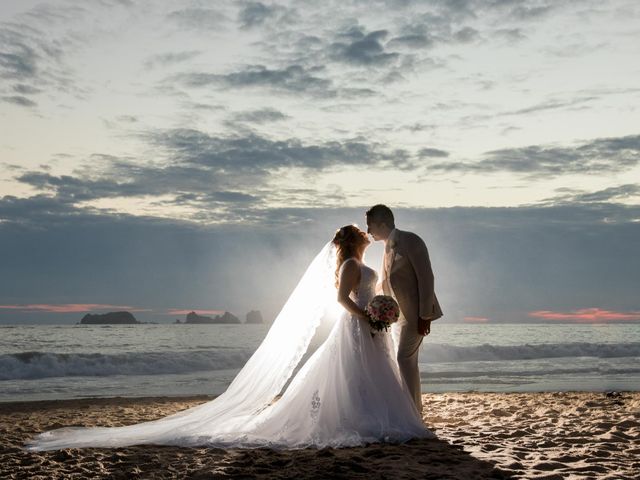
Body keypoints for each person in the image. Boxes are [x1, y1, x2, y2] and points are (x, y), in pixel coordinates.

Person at [26, 225, 433, 451]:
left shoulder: (362, 261)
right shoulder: (347, 263)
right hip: (357, 326)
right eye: (360, 232)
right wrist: (366, 314)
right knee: (351, 374)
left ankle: (381, 418)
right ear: (351, 240)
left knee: (370, 375)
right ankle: (361, 420)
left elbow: (369, 292)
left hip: (370, 327)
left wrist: (383, 311)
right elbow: (342, 299)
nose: (366, 233)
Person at [366, 205, 443, 413]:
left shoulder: (411, 240)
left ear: (382, 224)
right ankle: (415, 410)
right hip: (396, 315)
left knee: (403, 359)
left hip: (416, 314)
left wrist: (425, 315)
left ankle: (412, 413)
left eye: (370, 225)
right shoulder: (386, 248)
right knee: (408, 362)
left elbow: (426, 278)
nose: (368, 231)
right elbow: (386, 282)